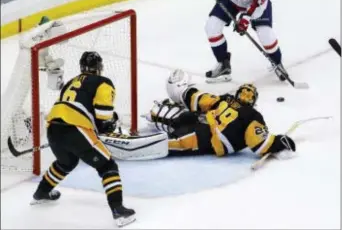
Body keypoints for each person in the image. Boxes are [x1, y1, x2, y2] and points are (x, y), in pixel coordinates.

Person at [31, 51, 135, 227]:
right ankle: (119, 211)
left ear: (81, 67)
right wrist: (110, 122)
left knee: (66, 162)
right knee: (107, 165)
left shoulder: (70, 83)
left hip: (53, 127)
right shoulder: (103, 82)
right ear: (99, 68)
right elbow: (103, 117)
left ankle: (41, 192)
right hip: (76, 128)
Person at [145, 69, 296, 158]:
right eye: (244, 92)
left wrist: (277, 142)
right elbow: (204, 100)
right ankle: (155, 118)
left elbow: (259, 142)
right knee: (182, 116)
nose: (245, 95)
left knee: (178, 142)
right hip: (202, 123)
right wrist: (188, 92)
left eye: (249, 94)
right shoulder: (229, 100)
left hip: (210, 139)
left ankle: (143, 146)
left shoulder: (252, 115)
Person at [199, 0, 289, 83]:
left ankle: (277, 63)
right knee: (211, 27)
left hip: (256, 6)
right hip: (230, 0)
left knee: (265, 35)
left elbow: (258, 4)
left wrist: (245, 19)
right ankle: (223, 64)